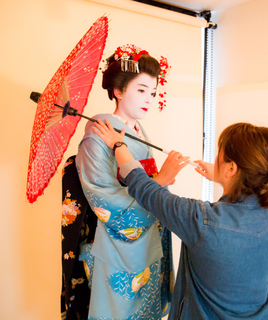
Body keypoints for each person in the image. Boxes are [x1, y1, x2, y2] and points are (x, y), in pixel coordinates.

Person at [93, 120, 268, 320]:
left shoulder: (202, 221)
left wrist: (118, 145)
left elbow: (145, 190)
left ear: (232, 169)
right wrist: (222, 176)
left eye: (220, 151)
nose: (217, 156)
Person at [62, 44, 174, 320]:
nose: (148, 98)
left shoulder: (137, 130)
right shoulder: (96, 137)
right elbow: (105, 202)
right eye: (141, 90)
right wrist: (160, 181)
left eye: (153, 92)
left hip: (149, 239)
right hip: (119, 246)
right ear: (118, 91)